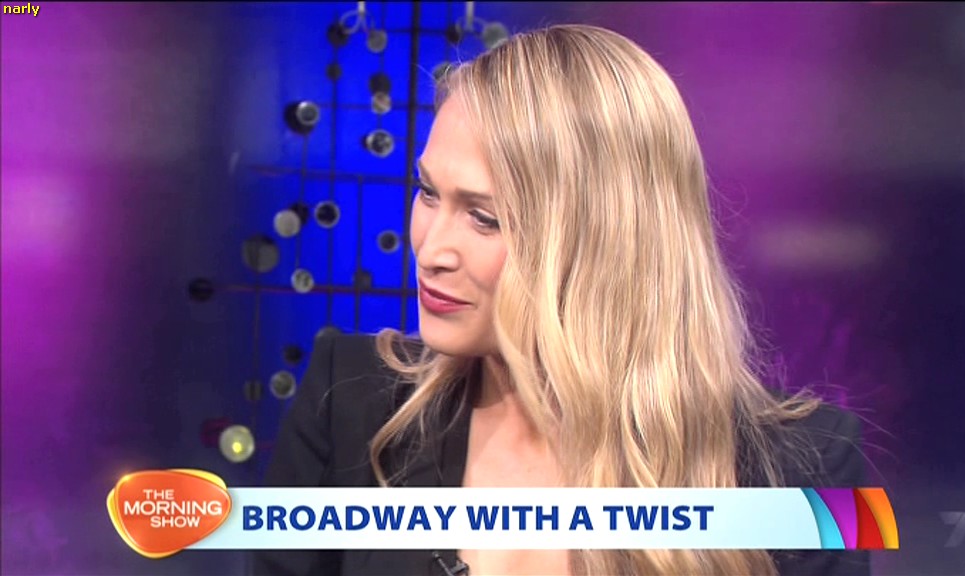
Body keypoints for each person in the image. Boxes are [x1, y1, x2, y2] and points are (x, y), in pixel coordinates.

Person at [253, 24, 870, 576]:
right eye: (428, 192)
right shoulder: (348, 403)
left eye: (484, 218)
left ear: (601, 242)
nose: (431, 248)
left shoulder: (808, 470)